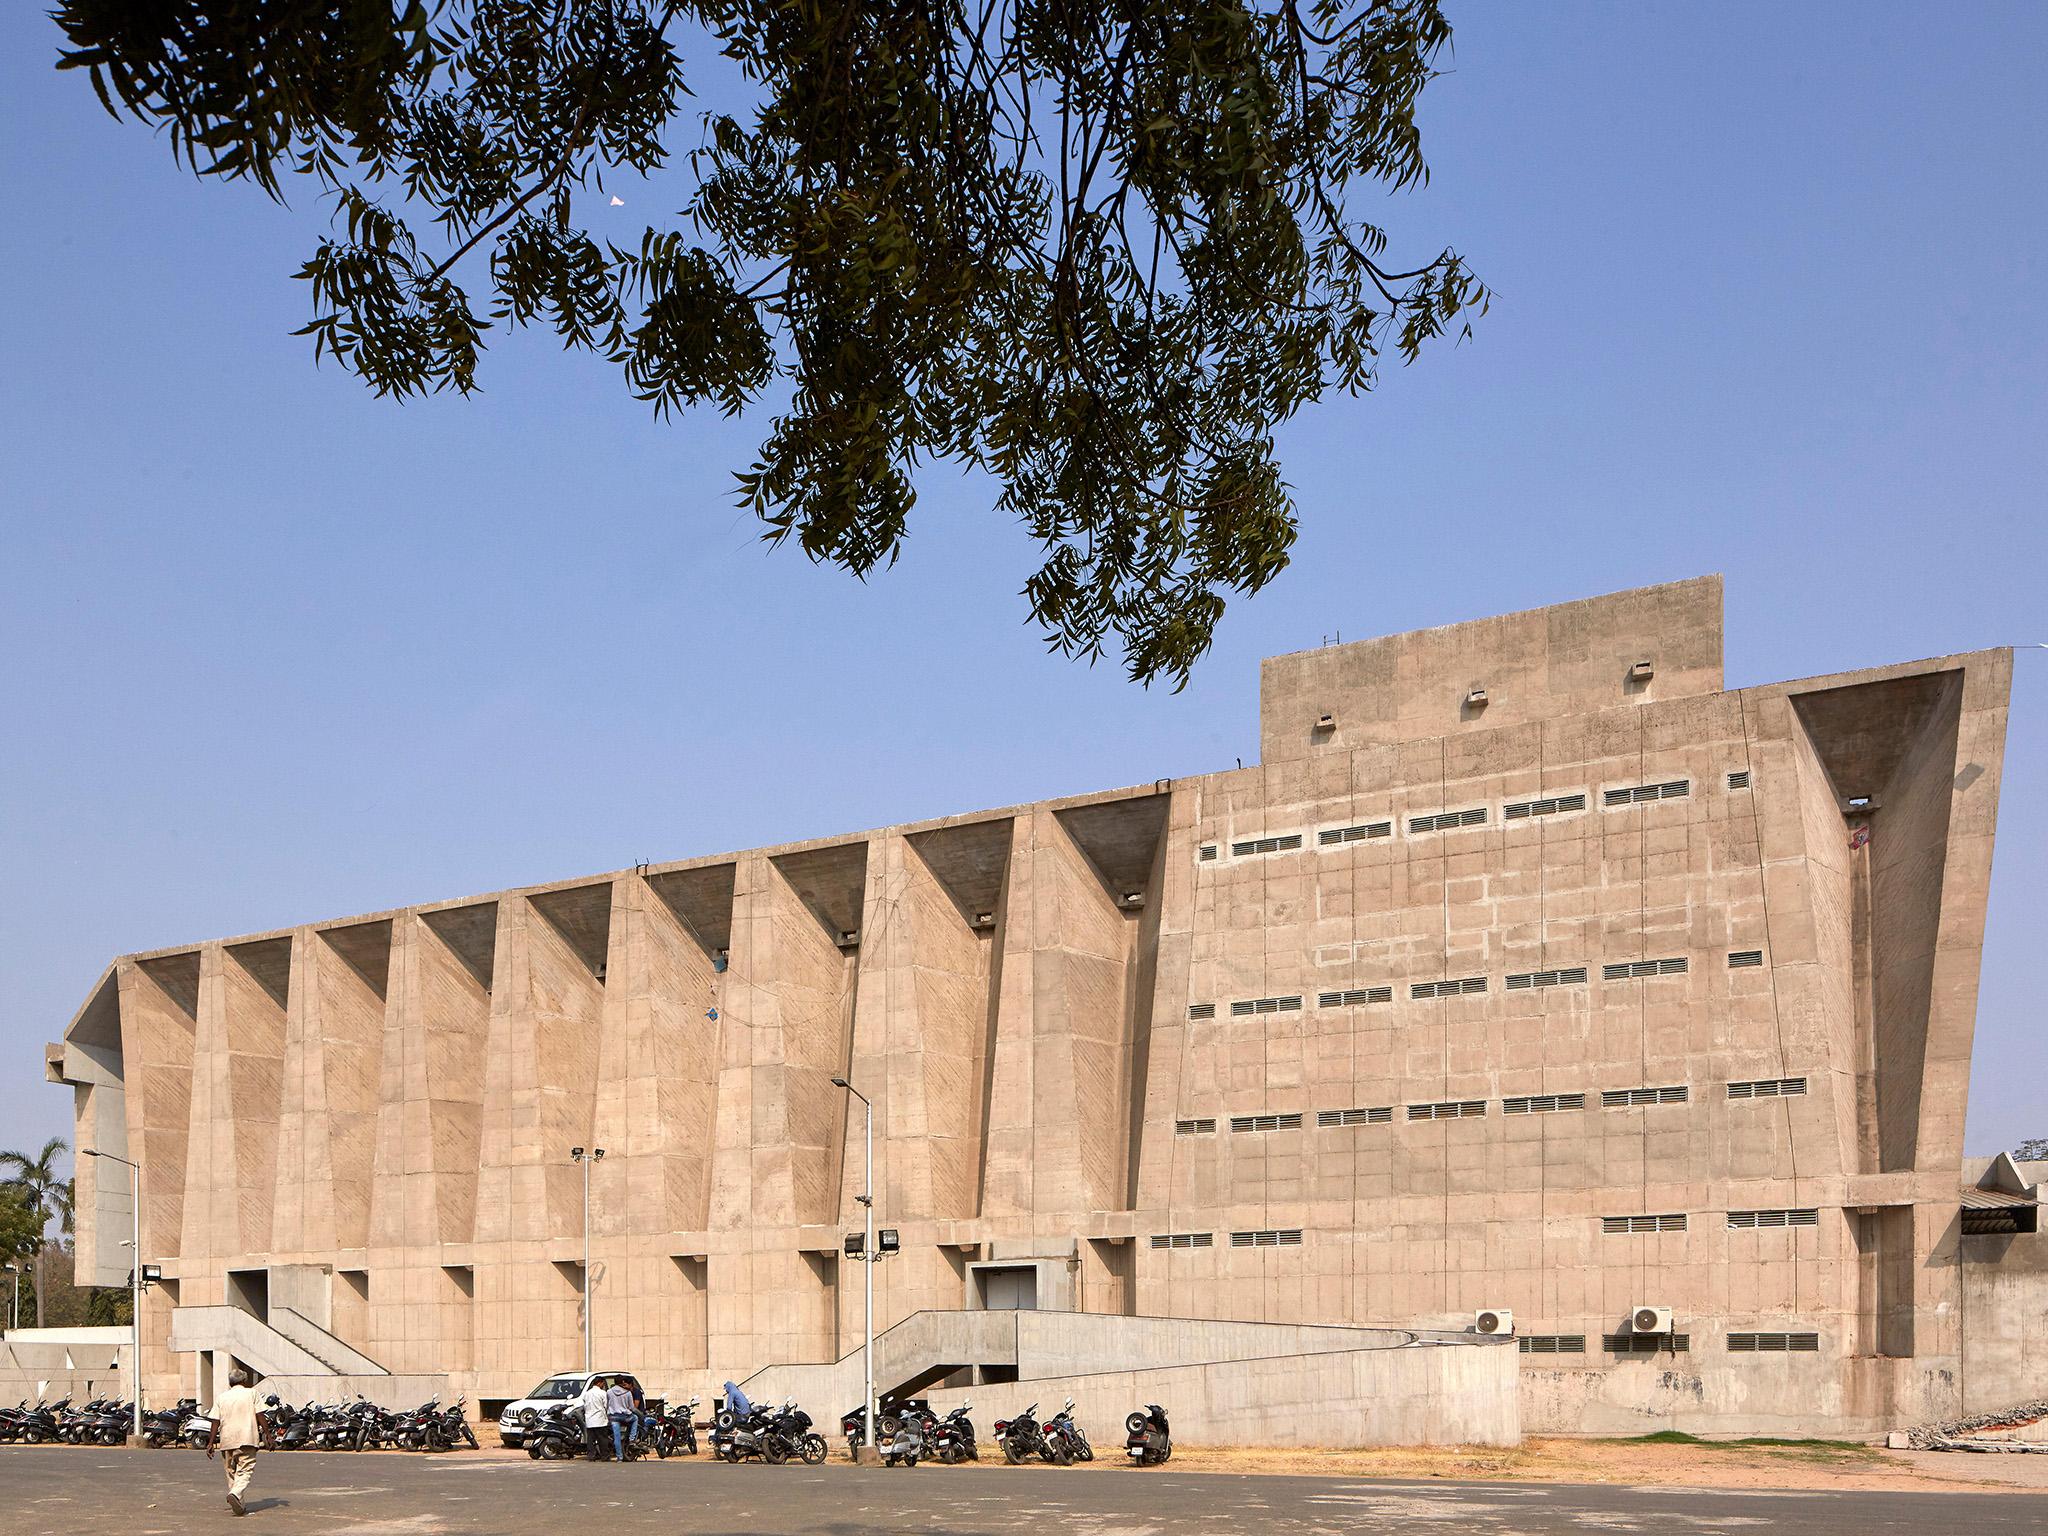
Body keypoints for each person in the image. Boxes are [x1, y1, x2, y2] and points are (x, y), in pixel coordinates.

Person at [206, 1366, 262, 1517]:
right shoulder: (252, 1393)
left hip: (227, 1440)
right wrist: (268, 1435)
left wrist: (211, 1443)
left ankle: (239, 1504)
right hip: (247, 1438)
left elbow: (215, 1421)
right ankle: (236, 1494)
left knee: (231, 1473)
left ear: (230, 1383)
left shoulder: (222, 1397)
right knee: (245, 1470)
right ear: (244, 1381)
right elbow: (260, 1414)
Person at [577, 1375, 611, 1461]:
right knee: (602, 1439)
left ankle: (591, 1456)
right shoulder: (603, 1393)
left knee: (590, 1440)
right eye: (603, 1383)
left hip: (589, 1420)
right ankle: (604, 1456)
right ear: (600, 1383)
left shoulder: (586, 1394)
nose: (603, 1385)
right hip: (600, 1419)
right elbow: (606, 1406)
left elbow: (584, 1406)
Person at [606, 1376, 636, 1462]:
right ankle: (631, 1439)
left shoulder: (609, 1392)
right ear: (622, 1382)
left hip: (613, 1417)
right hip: (625, 1417)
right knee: (635, 1418)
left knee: (617, 1437)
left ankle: (619, 1457)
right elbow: (631, 1407)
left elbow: (607, 1405)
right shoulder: (627, 1392)